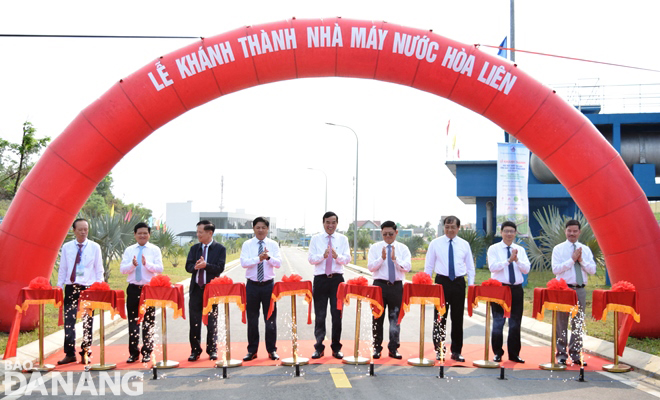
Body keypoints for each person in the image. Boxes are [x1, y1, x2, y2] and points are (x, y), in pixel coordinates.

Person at [424, 215, 474, 362]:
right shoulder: (435, 243)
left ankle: (456, 351)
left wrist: (471, 286)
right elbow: (429, 266)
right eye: (447, 227)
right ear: (443, 227)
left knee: (457, 318)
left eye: (453, 227)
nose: (450, 230)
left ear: (458, 228)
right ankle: (439, 349)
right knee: (440, 318)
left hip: (458, 283)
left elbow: (470, 267)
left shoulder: (464, 244)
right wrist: (427, 285)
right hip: (441, 282)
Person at [56, 218, 104, 365]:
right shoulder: (67, 247)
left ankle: (85, 352)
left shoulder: (94, 247)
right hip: (71, 287)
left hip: (88, 288)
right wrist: (59, 286)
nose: (83, 232)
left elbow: (99, 269)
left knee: (87, 321)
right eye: (80, 229)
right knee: (69, 321)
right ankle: (69, 353)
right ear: (74, 230)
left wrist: (99, 287)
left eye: (86, 229)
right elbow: (63, 268)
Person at [552, 219, 596, 366]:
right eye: (569, 231)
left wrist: (581, 260)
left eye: (575, 231)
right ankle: (561, 355)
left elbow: (592, 270)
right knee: (561, 323)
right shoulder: (559, 249)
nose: (572, 233)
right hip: (564, 289)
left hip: (580, 289)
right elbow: (556, 269)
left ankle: (576, 354)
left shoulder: (586, 249)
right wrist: (571, 260)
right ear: (565, 231)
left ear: (579, 232)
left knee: (577, 322)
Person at [308, 211, 351, 359]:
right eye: (328, 222)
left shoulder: (343, 239)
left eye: (333, 222)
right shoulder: (316, 239)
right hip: (320, 279)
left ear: (337, 224)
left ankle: (336, 348)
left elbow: (347, 259)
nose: (330, 225)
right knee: (320, 315)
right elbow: (311, 259)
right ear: (323, 223)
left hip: (337, 281)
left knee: (337, 315)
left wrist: (337, 256)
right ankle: (318, 348)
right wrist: (323, 256)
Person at [119, 222, 164, 363]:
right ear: (135, 235)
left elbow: (160, 268)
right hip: (133, 289)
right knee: (133, 322)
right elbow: (122, 269)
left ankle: (147, 352)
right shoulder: (129, 250)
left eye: (145, 233)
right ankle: (133, 353)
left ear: (149, 234)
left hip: (149, 289)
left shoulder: (154, 249)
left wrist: (146, 265)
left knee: (148, 322)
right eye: (140, 233)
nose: (142, 235)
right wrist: (133, 265)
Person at [486, 221, 530, 363]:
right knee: (498, 321)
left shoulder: (520, 250)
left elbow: (526, 269)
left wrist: (516, 260)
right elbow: (492, 267)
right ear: (501, 232)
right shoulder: (494, 248)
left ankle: (514, 354)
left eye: (512, 231)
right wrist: (508, 260)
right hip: (499, 289)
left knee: (515, 322)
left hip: (516, 289)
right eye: (506, 231)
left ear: (515, 233)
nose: (509, 234)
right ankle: (497, 352)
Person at [367, 221, 411, 359]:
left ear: (396, 233)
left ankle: (393, 348)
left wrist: (395, 260)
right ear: (381, 233)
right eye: (385, 234)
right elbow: (371, 267)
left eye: (390, 234)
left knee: (395, 319)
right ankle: (376, 348)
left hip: (396, 286)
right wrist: (382, 258)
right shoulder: (375, 248)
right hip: (379, 285)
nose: (387, 236)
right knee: (377, 318)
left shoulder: (403, 248)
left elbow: (407, 267)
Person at [240, 217, 281, 362]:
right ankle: (252, 351)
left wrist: (268, 257)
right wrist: (259, 258)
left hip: (269, 285)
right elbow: (244, 263)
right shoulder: (247, 244)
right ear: (253, 228)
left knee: (270, 319)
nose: (260, 230)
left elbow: (279, 263)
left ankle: (272, 350)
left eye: (263, 227)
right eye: (258, 227)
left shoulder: (273, 244)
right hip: (252, 285)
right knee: (252, 320)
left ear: (267, 229)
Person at [185, 220, 226, 361]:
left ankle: (212, 350)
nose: (198, 235)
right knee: (194, 322)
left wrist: (206, 265)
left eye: (200, 232)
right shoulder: (194, 249)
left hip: (211, 291)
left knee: (211, 321)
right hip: (196, 290)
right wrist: (195, 267)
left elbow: (219, 268)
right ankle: (195, 351)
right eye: (197, 232)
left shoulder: (220, 249)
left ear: (210, 233)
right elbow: (188, 266)